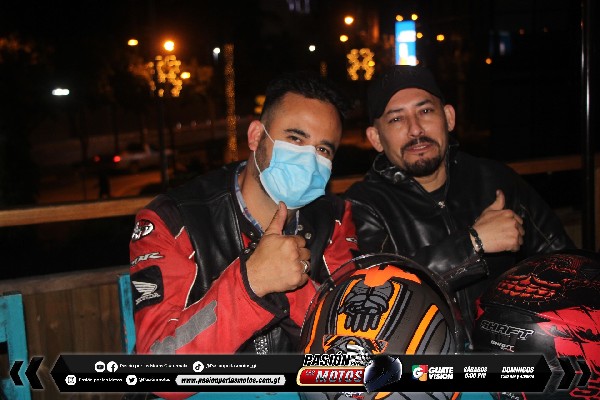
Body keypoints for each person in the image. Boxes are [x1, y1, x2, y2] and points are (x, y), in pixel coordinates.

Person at [129, 71, 359, 358]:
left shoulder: (334, 218)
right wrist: (252, 282)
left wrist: (296, 289)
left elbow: (354, 339)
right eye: (295, 138)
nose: (309, 160)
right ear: (256, 136)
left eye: (323, 149)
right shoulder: (173, 221)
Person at [344, 65, 575, 330]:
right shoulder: (362, 204)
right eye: (396, 119)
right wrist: (473, 243)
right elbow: (376, 291)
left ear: (449, 117)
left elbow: (566, 263)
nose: (415, 129)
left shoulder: (496, 179)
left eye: (425, 111)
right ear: (376, 138)